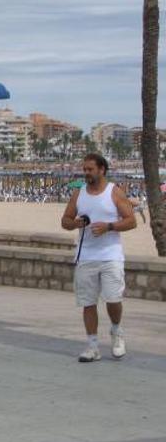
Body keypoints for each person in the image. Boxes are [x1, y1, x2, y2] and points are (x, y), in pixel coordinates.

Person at [61, 153, 137, 363]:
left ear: (102, 169)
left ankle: (116, 331)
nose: (86, 173)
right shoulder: (79, 193)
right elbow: (65, 221)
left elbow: (131, 221)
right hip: (85, 256)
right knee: (88, 303)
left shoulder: (114, 192)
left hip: (111, 256)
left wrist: (109, 227)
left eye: (90, 169)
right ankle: (92, 346)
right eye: (84, 169)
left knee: (113, 299)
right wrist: (76, 223)